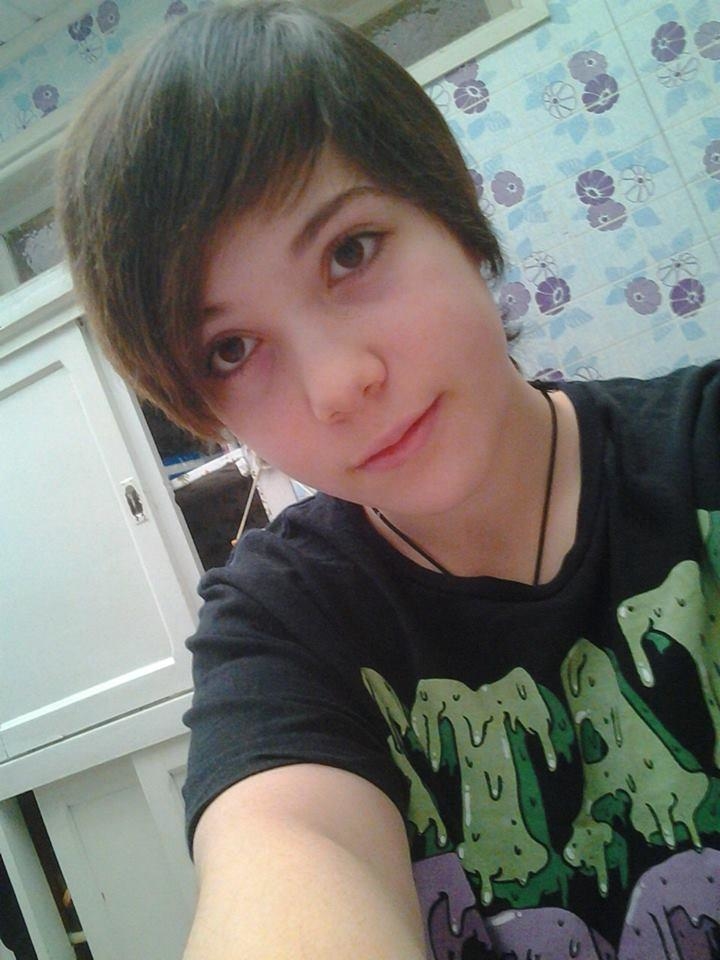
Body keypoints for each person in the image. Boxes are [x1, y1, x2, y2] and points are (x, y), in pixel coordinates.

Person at [56, 3, 720, 957]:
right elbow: (282, 846)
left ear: (453, 212)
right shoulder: (284, 621)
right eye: (232, 348)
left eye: (350, 251)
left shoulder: (700, 452)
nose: (338, 385)